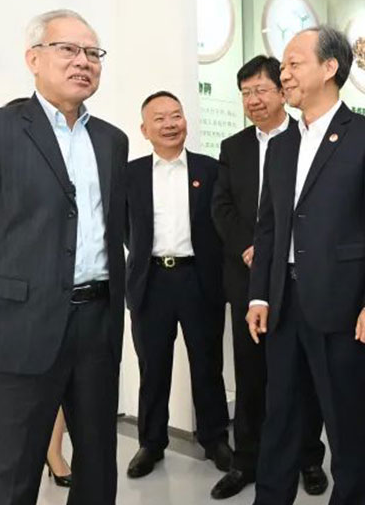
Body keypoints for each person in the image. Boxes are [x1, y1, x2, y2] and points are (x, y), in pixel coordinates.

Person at [0, 9, 128, 505]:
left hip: (97, 322)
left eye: (93, 53)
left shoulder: (111, 140)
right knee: (10, 472)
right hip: (21, 323)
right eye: (68, 49)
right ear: (33, 59)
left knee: (98, 465)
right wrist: (11, 286)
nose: (83, 61)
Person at [246, 25, 365, 505]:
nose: (283, 74)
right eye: (283, 65)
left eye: (294, 63)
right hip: (284, 304)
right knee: (280, 419)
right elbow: (268, 228)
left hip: (343, 305)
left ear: (330, 68)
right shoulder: (281, 145)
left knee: (346, 423)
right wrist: (259, 294)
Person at [210, 56, 329, 500]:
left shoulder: (309, 138)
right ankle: (247, 460)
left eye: (261, 90)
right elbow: (221, 207)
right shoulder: (233, 147)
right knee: (251, 373)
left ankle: (309, 458)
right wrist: (252, 247)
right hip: (248, 279)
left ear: (282, 91)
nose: (253, 100)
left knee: (304, 374)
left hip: (298, 280)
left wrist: (274, 250)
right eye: (245, 93)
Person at [124, 91, 232, 479]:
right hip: (151, 281)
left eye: (176, 116)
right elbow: (124, 230)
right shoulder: (130, 174)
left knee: (207, 364)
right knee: (153, 367)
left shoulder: (211, 169)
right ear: (145, 130)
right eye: (160, 119)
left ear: (185, 121)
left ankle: (215, 439)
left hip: (198, 278)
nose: (170, 124)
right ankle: (151, 443)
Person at [4, 96, 73, 490]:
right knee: (23, 400)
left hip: (75, 298)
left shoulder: (89, 149)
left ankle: (55, 453)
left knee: (63, 387)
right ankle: (44, 455)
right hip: (21, 300)